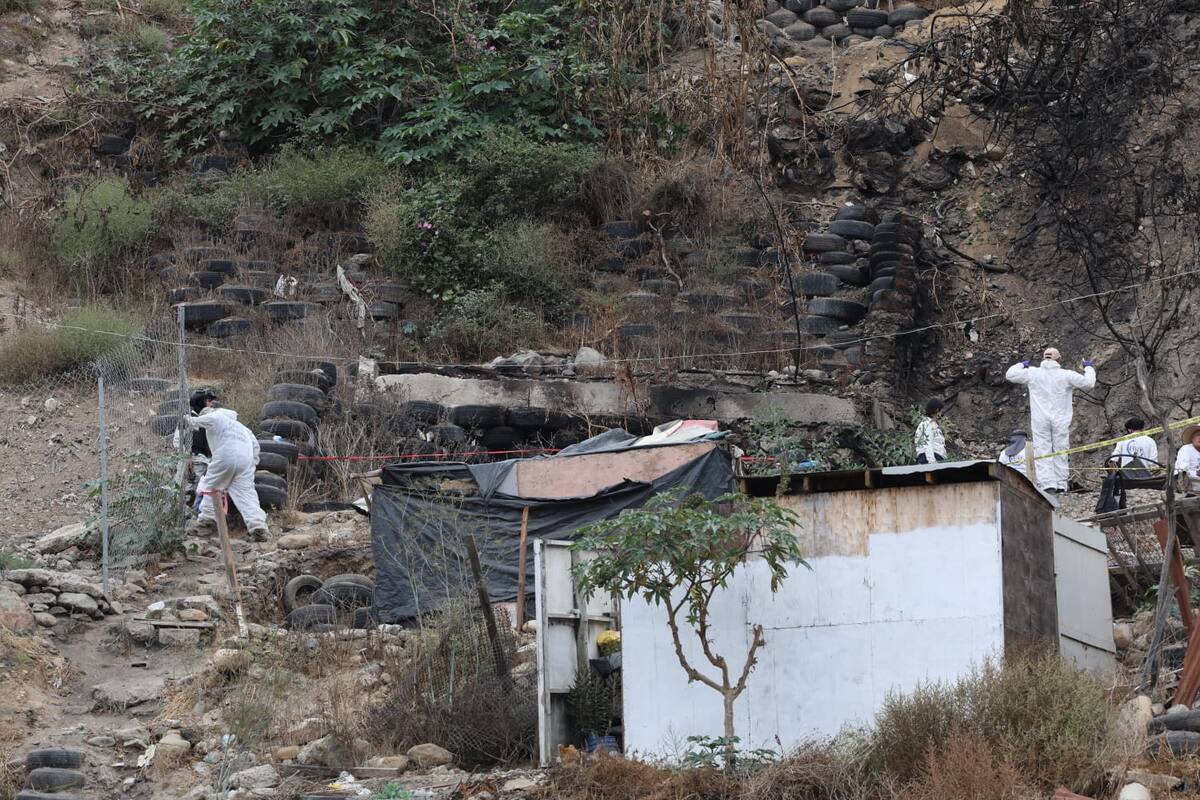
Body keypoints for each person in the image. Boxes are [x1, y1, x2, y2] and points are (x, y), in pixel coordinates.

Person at [1004, 347, 1096, 493]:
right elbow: (1089, 383)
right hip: (1060, 419)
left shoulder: (1032, 373)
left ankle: (1048, 486)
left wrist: (1022, 364)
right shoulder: (1066, 375)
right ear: (1059, 360)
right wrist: (1089, 368)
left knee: (1042, 451)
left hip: (1040, 419)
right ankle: (1061, 485)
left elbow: (1010, 375)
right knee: (1060, 450)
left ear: (1043, 359)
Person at [185, 390, 270, 540]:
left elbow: (194, 422)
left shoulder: (214, 416)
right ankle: (259, 528)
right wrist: (252, 463)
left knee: (211, 486)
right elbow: (255, 446)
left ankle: (206, 522)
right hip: (246, 460)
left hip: (225, 455)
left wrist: (185, 418)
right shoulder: (240, 426)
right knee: (246, 495)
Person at [914, 398, 947, 464]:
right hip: (929, 458)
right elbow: (928, 443)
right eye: (941, 411)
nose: (941, 414)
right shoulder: (926, 424)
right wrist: (932, 462)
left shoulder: (934, 424)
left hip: (935, 458)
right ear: (937, 410)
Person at [1175, 424, 1200, 494]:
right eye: (1199, 435)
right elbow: (1183, 469)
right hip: (1187, 486)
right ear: (1192, 438)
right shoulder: (1186, 449)